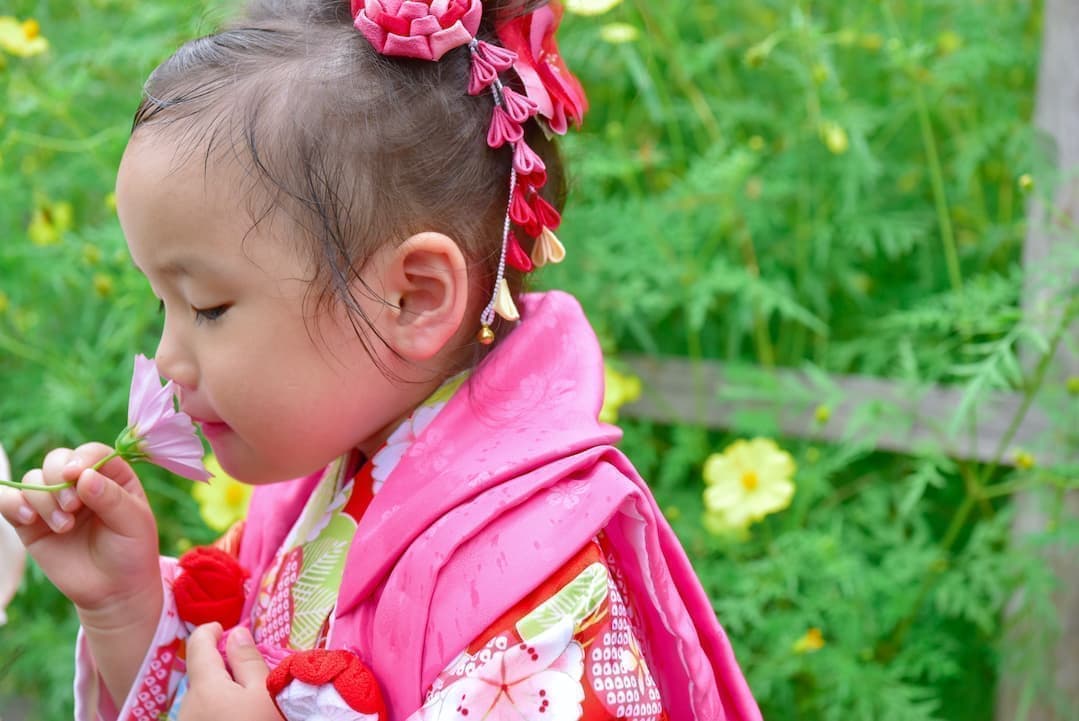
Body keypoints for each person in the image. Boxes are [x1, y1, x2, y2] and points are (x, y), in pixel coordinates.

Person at [0, 0, 762, 719]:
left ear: (414, 297)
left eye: (207, 307)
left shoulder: (540, 588)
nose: (168, 359)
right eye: (161, 303)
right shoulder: (319, 482)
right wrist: (125, 610)